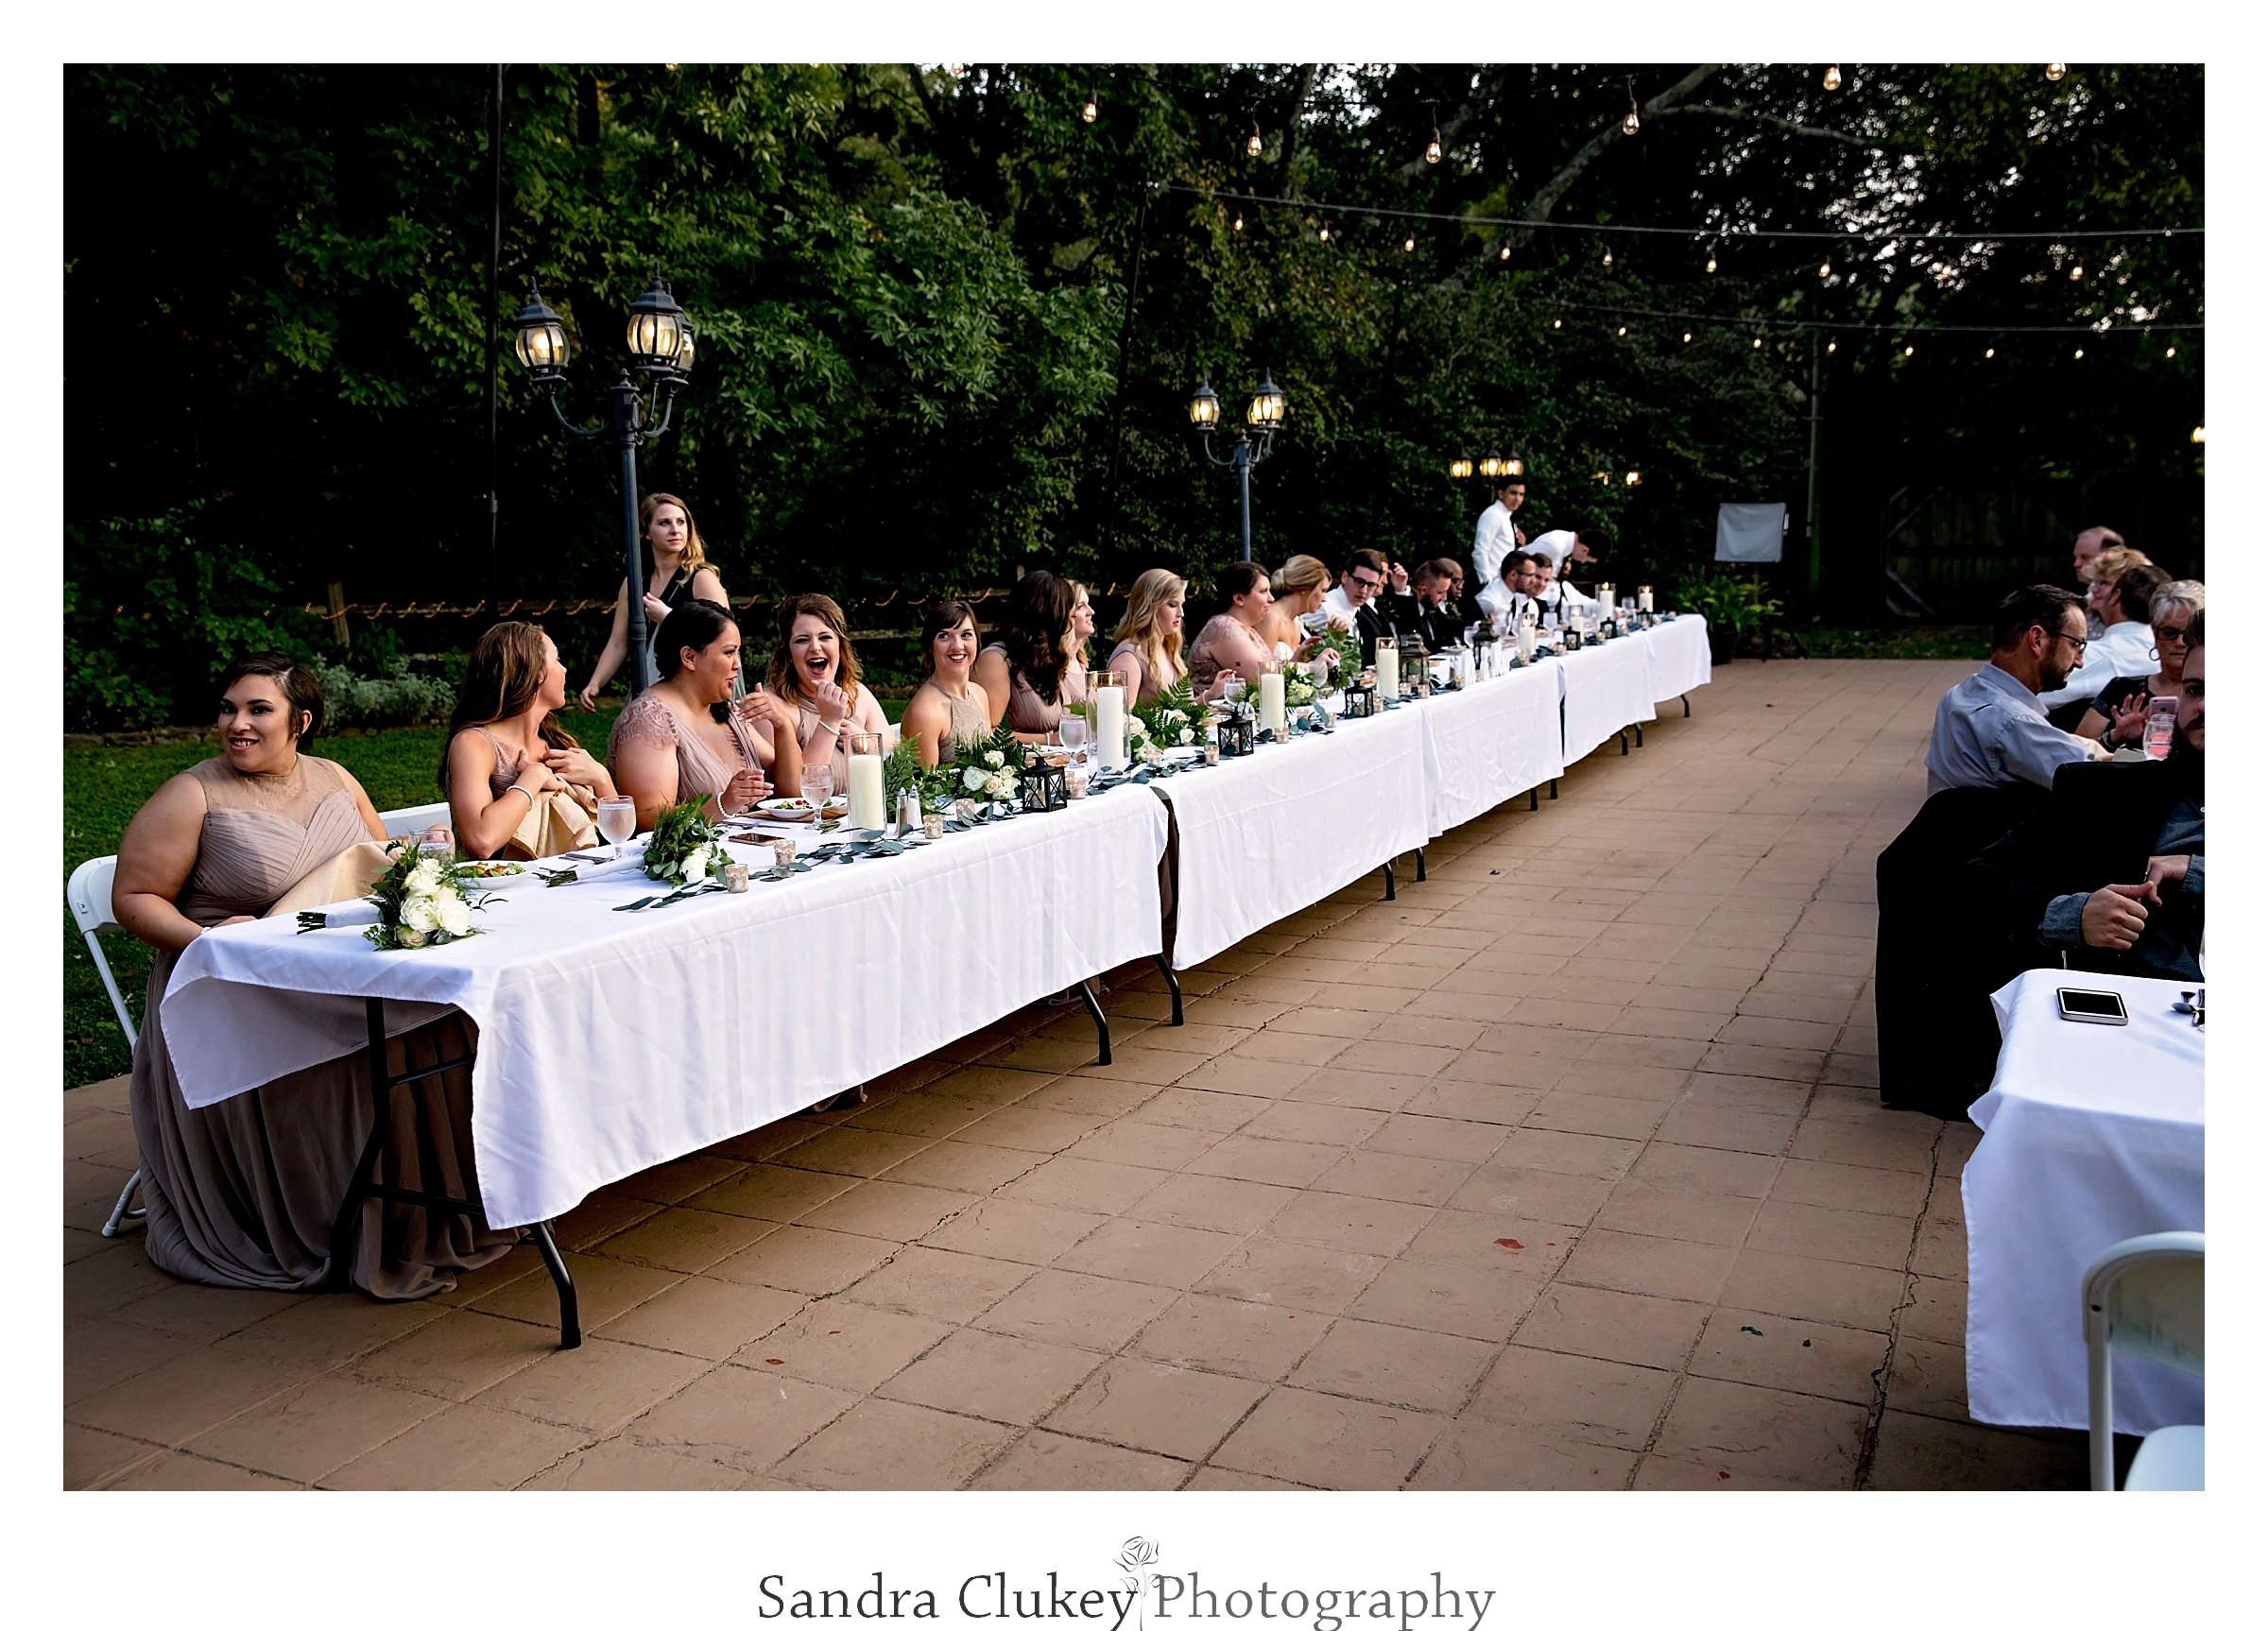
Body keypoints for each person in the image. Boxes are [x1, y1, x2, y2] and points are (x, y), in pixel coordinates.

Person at [115, 653, 514, 1296]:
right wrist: (211, 943)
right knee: (364, 1057)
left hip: (334, 975)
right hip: (237, 990)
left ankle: (427, 1209)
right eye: (228, 709)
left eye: (257, 710)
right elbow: (132, 897)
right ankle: (338, 1222)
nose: (236, 724)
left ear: (301, 721)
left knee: (443, 1024)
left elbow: (382, 869)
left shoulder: (334, 777)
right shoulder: (193, 794)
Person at [1968, 611, 2204, 981]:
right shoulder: (2103, 792)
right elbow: (1976, 882)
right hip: (2136, 1017)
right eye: (2195, 689)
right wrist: (2071, 916)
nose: (2204, 706)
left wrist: (2197, 872)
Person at [613, 600, 800, 830]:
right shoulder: (650, 719)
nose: (737, 665)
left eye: (737, 653)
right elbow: (644, 817)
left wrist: (782, 726)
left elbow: (790, 794)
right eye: (729, 652)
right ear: (689, 658)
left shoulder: (726, 711)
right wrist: (721, 804)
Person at [441, 621, 619, 860]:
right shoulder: (474, 743)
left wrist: (601, 778)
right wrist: (532, 780)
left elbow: (619, 838)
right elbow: (481, 842)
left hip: (572, 884)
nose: (564, 670)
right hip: (497, 891)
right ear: (534, 673)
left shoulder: (558, 745)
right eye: (556, 659)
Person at [1924, 584, 2105, 797]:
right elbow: (2096, 781)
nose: (2080, 662)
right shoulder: (2011, 721)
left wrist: (2111, 739)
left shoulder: (1961, 694)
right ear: (2037, 640)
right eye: (2076, 645)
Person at [577, 492, 730, 709]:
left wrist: (669, 617)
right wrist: (595, 683)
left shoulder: (701, 577)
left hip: (696, 689)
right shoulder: (634, 583)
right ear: (645, 532)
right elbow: (619, 642)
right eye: (664, 523)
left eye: (681, 522)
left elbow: (725, 634)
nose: (675, 530)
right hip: (650, 682)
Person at [765, 592, 892, 787]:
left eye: (825, 637)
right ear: (788, 653)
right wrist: (829, 722)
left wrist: (867, 745)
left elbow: (900, 766)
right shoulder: (773, 707)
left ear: (840, 647)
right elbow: (793, 793)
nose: (815, 647)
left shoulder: (858, 694)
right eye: (802, 640)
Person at [2076, 580, 2204, 746]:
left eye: (2188, 635)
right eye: (2169, 632)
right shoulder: (2122, 689)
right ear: (2154, 634)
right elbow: (2076, 751)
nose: (2180, 642)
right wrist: (2115, 736)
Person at [2038, 558, 2169, 716]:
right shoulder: (2171, 654)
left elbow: (2031, 696)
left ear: (2116, 595)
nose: (2093, 591)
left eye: (2104, 583)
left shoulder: (2089, 657)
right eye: (2094, 582)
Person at [974, 571, 1080, 743]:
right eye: (1070, 616)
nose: (1072, 624)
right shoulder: (996, 660)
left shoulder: (1044, 657)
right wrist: (1047, 739)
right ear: (1051, 615)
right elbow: (987, 733)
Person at [1108, 568, 1228, 705]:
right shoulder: (1129, 656)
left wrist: (1211, 694)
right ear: (1150, 606)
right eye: (1172, 605)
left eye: (1181, 605)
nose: (1181, 613)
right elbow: (1121, 719)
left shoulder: (1168, 648)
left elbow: (1181, 712)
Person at [899, 598, 994, 766]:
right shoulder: (925, 712)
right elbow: (924, 789)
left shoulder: (979, 694)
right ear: (930, 646)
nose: (957, 646)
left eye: (966, 635)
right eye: (944, 636)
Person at [1188, 561, 1280, 694]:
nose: (1271, 599)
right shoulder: (1223, 627)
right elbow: (1260, 677)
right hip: (1212, 712)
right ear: (1239, 598)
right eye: (1263, 591)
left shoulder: (1248, 630)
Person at [1262, 555, 1333, 658]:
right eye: (1323, 591)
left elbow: (1292, 669)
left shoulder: (1296, 622)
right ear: (1304, 588)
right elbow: (1262, 668)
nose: (1324, 599)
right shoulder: (1272, 618)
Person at [1471, 472, 1530, 591]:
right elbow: (1480, 551)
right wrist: (1487, 583)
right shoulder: (1493, 515)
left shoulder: (1507, 518)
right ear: (1501, 493)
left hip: (1504, 584)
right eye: (1513, 493)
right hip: (1493, 584)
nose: (1517, 499)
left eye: (1521, 494)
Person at [2072, 524, 2125, 638]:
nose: (2076, 564)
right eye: (2076, 557)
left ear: (2110, 557)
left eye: (2085, 557)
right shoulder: (2082, 604)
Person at [1408, 559, 1466, 652]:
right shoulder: (1407, 614)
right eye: (1440, 592)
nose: (1444, 598)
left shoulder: (1430, 611)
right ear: (1423, 590)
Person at [1322, 548, 1389, 626]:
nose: (1364, 591)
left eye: (1371, 585)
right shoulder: (1325, 609)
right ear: (1345, 577)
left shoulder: (1357, 610)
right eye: (1359, 582)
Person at [1062, 580, 1096, 707]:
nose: (1091, 612)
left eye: (1088, 604)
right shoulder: (1054, 667)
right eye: (1081, 606)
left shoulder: (1081, 664)